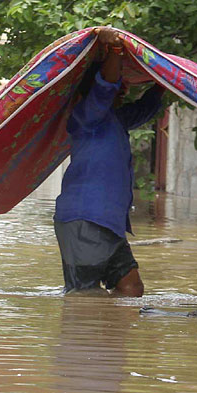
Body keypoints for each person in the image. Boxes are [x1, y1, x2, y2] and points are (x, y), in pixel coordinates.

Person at [53, 27, 164, 296]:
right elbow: (104, 89)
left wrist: (166, 81)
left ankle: (109, 335)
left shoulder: (115, 121)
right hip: (84, 221)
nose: (122, 90)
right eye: (119, 86)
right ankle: (93, 336)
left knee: (131, 289)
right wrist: (114, 51)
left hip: (108, 224)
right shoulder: (86, 117)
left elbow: (145, 109)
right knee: (84, 298)